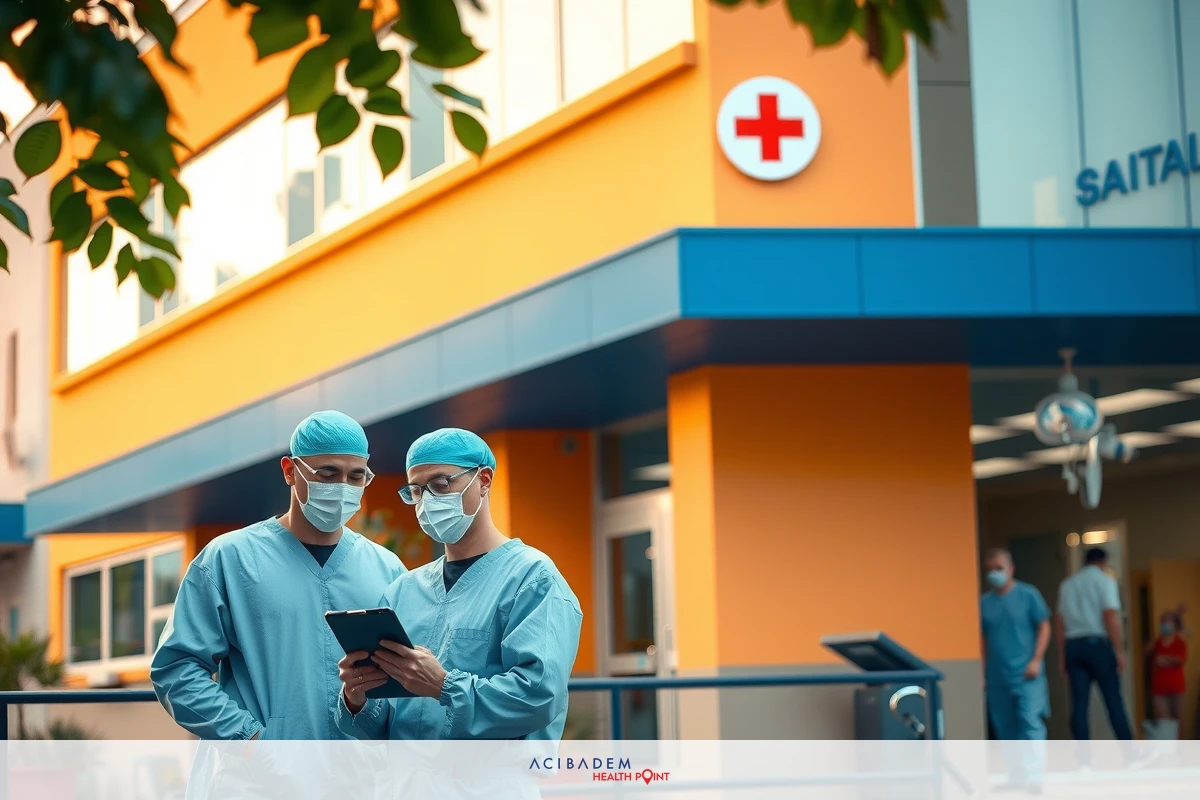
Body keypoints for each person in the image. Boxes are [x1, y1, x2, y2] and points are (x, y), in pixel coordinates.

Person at [151, 410, 405, 739]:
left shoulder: (387, 568)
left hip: (354, 766)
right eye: (328, 474)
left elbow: (402, 687)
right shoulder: (230, 559)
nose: (342, 487)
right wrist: (249, 738)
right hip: (260, 767)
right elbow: (177, 669)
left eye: (356, 476)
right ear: (290, 471)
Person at [334, 427, 583, 740]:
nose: (427, 500)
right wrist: (357, 698)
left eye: (441, 484)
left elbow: (538, 697)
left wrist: (442, 686)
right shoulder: (403, 591)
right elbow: (387, 721)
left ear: (484, 480)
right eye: (416, 491)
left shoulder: (531, 579)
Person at [1054, 547, 1133, 741]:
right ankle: (1128, 751)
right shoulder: (1105, 581)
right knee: (1113, 701)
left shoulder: (1068, 584)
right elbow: (1110, 616)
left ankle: (1082, 755)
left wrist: (1062, 656)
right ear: (1103, 562)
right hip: (1097, 645)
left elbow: (1059, 622)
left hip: (1074, 645)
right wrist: (1118, 650)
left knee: (1079, 704)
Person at [980, 548, 1052, 741]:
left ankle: (1034, 763)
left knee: (1030, 720)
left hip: (1027, 674)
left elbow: (1044, 626)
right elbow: (983, 640)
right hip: (997, 678)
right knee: (1005, 728)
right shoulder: (984, 604)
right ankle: (1014, 762)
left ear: (1011, 569)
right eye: (990, 569)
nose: (994, 573)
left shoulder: (1028, 595)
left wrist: (1036, 659)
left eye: (999, 568)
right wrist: (982, 672)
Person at [1147, 607, 1188, 739]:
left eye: (1167, 621)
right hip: (1159, 688)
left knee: (1178, 720)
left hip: (1176, 687)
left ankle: (1180, 747)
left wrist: (1165, 659)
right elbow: (1146, 651)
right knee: (1163, 721)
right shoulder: (1157, 642)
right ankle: (1167, 748)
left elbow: (1181, 660)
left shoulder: (1180, 642)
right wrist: (1158, 638)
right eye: (1162, 621)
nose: (1164, 624)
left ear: (1174, 625)